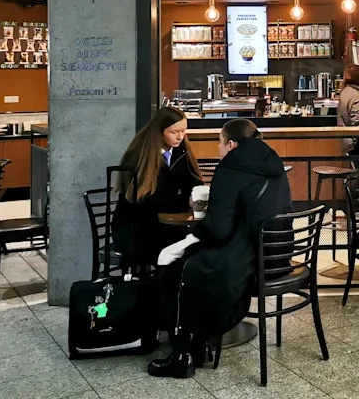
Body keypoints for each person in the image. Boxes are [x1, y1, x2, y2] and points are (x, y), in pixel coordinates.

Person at [148, 119, 292, 379]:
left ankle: (183, 355)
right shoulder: (274, 164)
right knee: (192, 265)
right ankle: (200, 343)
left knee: (178, 273)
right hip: (276, 257)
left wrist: (195, 232)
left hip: (248, 261)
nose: (218, 148)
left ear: (232, 144)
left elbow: (219, 229)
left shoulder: (230, 168)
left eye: (220, 142)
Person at [112, 106, 203, 267]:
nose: (180, 136)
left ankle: (175, 287)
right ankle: (165, 288)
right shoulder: (139, 155)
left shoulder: (180, 151)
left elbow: (193, 181)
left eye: (183, 131)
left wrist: (196, 194)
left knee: (196, 242)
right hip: (136, 227)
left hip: (162, 223)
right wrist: (183, 201)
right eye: (174, 132)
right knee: (182, 246)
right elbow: (144, 200)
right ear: (160, 131)